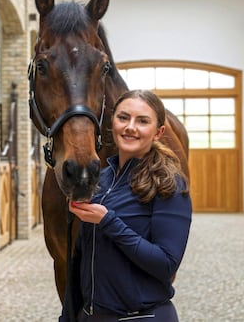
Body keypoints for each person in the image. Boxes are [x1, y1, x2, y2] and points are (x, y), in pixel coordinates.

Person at [60, 90, 192, 321]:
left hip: (141, 317)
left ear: (158, 132)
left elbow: (166, 265)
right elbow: (80, 260)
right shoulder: (99, 181)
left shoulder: (169, 185)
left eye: (142, 121)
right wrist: (68, 316)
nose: (130, 127)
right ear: (112, 123)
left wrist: (108, 222)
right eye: (123, 117)